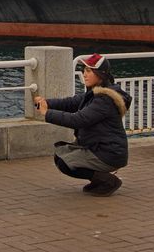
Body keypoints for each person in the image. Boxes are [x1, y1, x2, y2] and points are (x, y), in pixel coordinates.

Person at [34, 54, 131, 196]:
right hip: (100, 148)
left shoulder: (104, 99)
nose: (84, 75)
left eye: (89, 71)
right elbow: (72, 103)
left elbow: (78, 120)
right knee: (61, 155)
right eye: (84, 70)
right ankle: (99, 180)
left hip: (109, 154)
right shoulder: (96, 92)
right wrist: (47, 103)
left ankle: (108, 181)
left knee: (65, 163)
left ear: (100, 74)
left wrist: (48, 113)